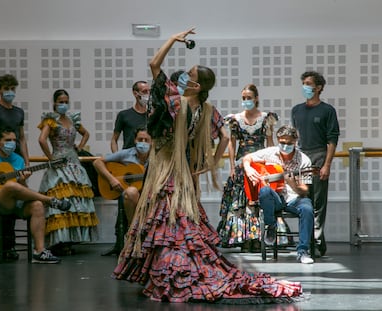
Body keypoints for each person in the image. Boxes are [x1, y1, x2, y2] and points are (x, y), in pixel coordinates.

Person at [112, 28, 302, 304]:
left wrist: (173, 40)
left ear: (196, 85)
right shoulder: (206, 110)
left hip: (165, 170)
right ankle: (167, 268)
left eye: (189, 76)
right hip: (183, 174)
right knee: (180, 221)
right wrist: (209, 165)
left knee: (167, 221)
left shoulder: (174, 104)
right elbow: (225, 136)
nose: (184, 78)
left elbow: (154, 65)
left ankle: (171, 272)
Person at [0, 127, 71, 263]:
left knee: (37, 205)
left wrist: (22, 181)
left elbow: (23, 191)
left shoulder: (18, 160)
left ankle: (39, 252)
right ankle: (50, 200)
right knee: (10, 185)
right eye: (8, 140)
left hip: (12, 203)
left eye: (14, 140)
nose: (12, 143)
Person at [217, 83, 278, 252]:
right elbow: (232, 143)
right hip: (241, 164)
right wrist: (231, 166)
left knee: (259, 199)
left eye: (249, 98)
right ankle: (243, 239)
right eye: (243, 98)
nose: (246, 101)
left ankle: (259, 238)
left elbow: (270, 142)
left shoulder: (266, 118)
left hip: (260, 164)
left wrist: (273, 165)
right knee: (241, 202)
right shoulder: (235, 119)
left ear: (256, 98)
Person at [38, 89, 99, 256]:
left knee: (75, 198)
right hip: (59, 162)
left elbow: (86, 134)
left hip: (74, 162)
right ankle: (59, 242)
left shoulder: (72, 118)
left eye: (66, 101)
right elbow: (42, 139)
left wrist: (79, 147)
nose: (63, 104)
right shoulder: (50, 120)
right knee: (61, 198)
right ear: (55, 103)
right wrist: (50, 157)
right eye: (60, 101)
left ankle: (70, 240)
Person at [242, 125, 315, 264]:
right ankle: (271, 226)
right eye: (282, 142)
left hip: (295, 198)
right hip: (276, 198)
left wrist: (293, 183)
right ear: (277, 140)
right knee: (264, 191)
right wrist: (248, 169)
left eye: (289, 143)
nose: (285, 146)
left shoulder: (304, 160)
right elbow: (247, 158)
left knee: (307, 209)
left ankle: (303, 251)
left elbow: (305, 190)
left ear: (295, 142)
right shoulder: (270, 153)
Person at [291, 71, 340, 257]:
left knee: (318, 201)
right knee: (304, 199)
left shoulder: (327, 111)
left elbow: (332, 139)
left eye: (308, 83)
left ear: (318, 87)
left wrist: (327, 164)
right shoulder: (296, 110)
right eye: (303, 82)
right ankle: (309, 239)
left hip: (319, 155)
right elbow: (294, 138)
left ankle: (317, 240)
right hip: (302, 157)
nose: (305, 86)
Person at [0, 74, 30, 261]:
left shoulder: (19, 112)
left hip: (16, 161)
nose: (9, 92)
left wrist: (27, 161)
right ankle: (4, 244)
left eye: (12, 88)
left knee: (16, 197)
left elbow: (22, 138)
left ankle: (9, 245)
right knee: (3, 200)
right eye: (6, 89)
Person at [93, 127, 151, 255]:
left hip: (149, 194)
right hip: (129, 195)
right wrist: (112, 179)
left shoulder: (156, 158)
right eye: (140, 139)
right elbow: (97, 162)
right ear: (135, 140)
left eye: (146, 140)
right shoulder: (126, 153)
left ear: (152, 141)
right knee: (131, 191)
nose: (143, 142)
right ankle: (133, 232)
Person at [110, 81, 150, 152]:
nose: (148, 94)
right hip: (128, 158)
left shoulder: (152, 116)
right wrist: (116, 157)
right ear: (135, 93)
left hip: (148, 158)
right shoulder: (124, 115)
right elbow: (114, 140)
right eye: (144, 91)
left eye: (149, 91)